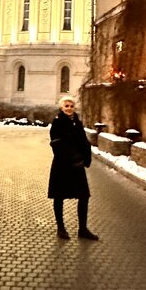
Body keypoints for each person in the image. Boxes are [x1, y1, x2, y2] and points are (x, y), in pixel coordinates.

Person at [47, 97, 99, 240]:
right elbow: (57, 145)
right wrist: (72, 158)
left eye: (71, 106)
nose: (69, 108)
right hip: (62, 165)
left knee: (84, 196)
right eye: (66, 106)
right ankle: (61, 228)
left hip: (77, 166)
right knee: (59, 196)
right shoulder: (57, 123)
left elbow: (84, 142)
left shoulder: (77, 122)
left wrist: (85, 159)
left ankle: (82, 229)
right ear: (62, 108)